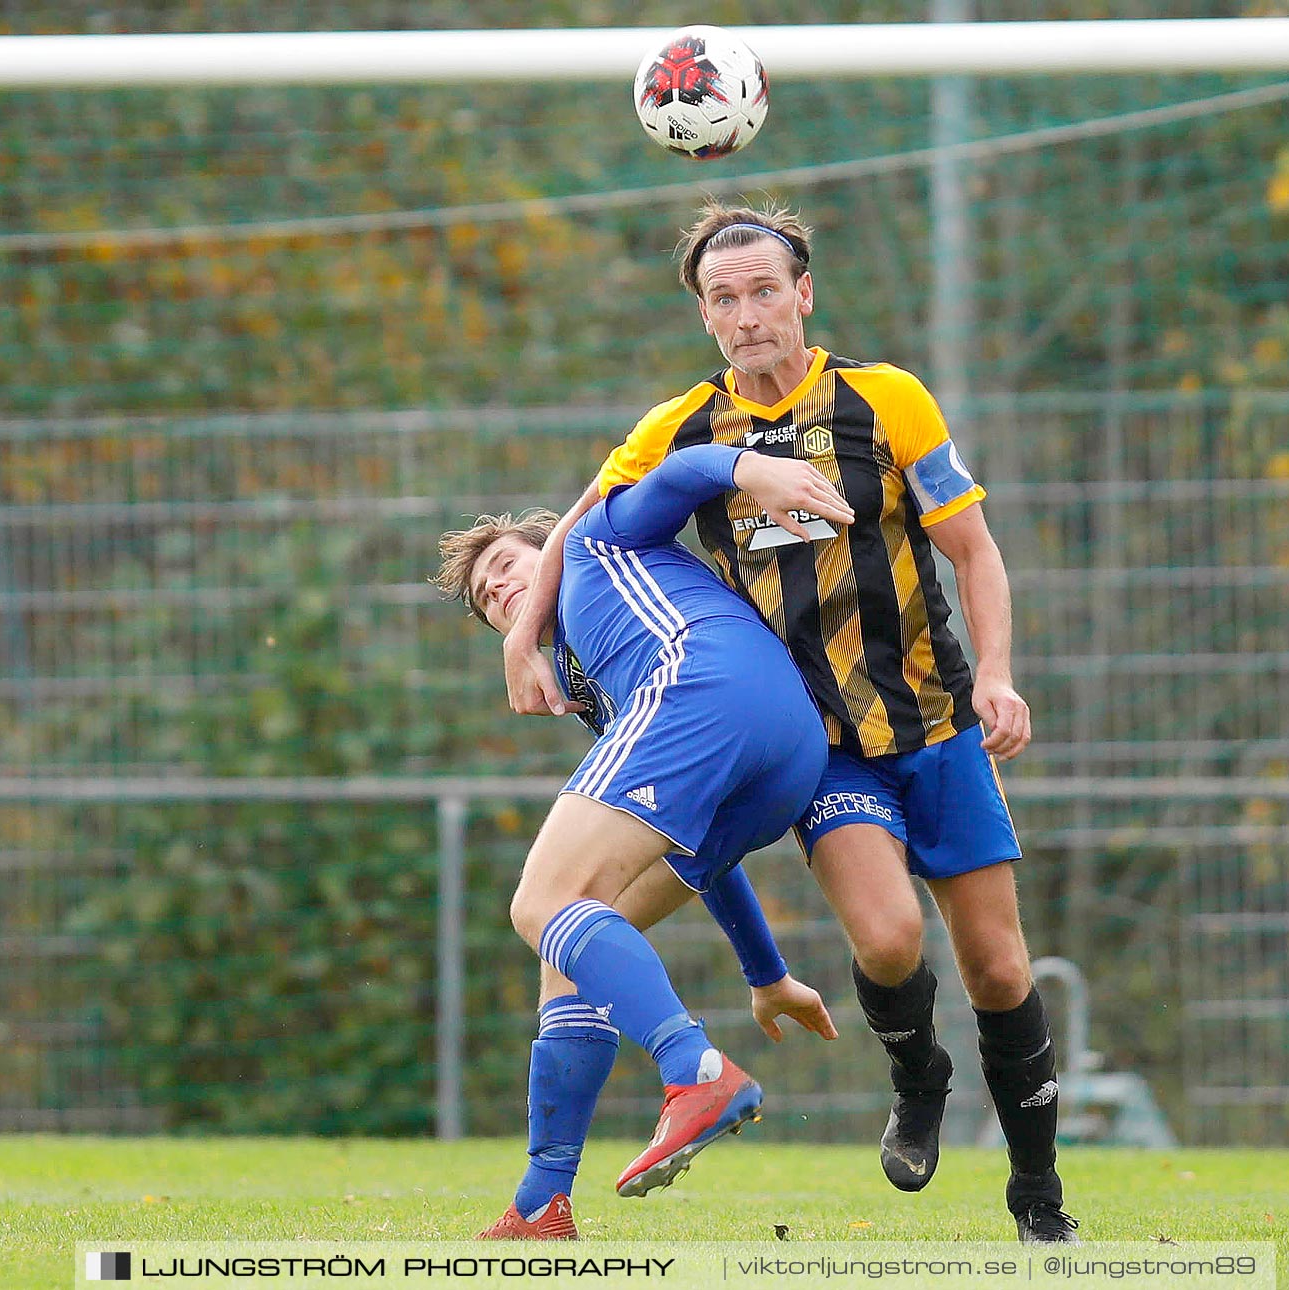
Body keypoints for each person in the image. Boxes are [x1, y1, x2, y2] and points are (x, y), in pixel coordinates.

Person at [501, 202, 1079, 1244]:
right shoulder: (683, 425)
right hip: (828, 751)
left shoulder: (885, 400)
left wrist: (997, 675)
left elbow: (976, 551)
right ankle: (918, 1074)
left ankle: (1038, 1194)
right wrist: (524, 635)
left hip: (938, 726)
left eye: (764, 291)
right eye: (723, 300)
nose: (747, 315)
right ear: (706, 318)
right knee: (892, 939)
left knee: (997, 965)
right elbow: (585, 515)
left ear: (803, 294)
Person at [435, 443, 853, 1239]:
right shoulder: (602, 677)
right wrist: (767, 974)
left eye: (509, 566)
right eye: (488, 598)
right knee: (570, 940)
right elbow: (698, 855)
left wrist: (747, 470)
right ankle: (541, 1200)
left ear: (549, 550)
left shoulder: (595, 541)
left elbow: (672, 472)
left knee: (542, 902)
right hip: (784, 755)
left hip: (707, 683)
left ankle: (695, 1069)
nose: (499, 589)